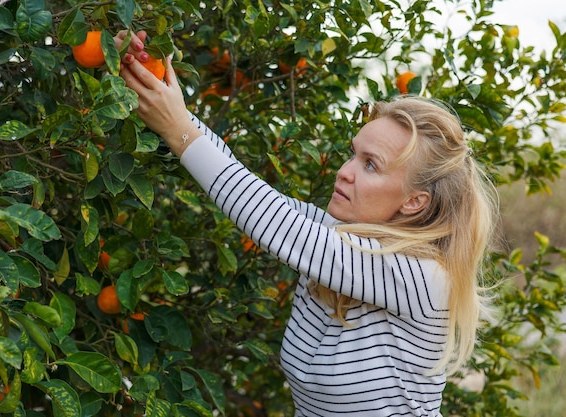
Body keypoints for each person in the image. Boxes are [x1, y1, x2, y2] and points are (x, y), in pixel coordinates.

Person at [115, 31, 498, 417]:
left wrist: (177, 126)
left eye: (370, 165)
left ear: (415, 202)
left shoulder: (424, 277)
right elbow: (255, 194)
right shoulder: (340, 239)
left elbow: (271, 220)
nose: (345, 172)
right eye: (353, 154)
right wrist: (156, 89)